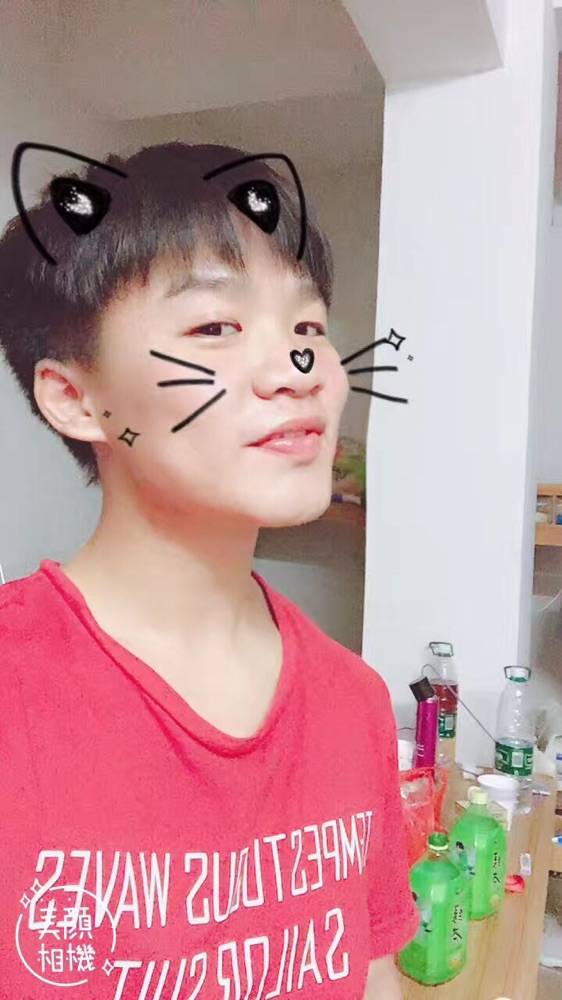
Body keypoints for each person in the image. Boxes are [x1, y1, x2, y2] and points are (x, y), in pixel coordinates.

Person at [0, 141, 418, 999]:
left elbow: (372, 976)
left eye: (308, 328)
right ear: (77, 399)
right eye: (215, 327)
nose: (299, 370)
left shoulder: (356, 703)